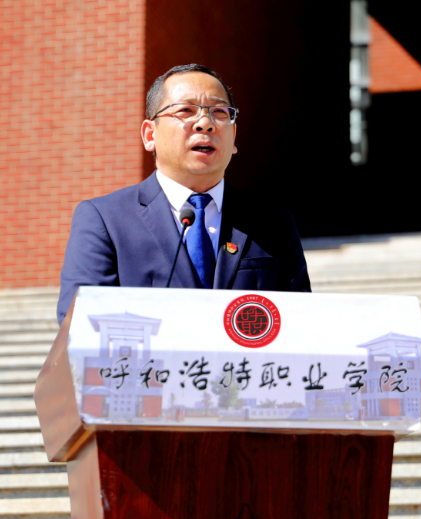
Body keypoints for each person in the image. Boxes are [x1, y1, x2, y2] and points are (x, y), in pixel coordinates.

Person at [57, 64, 311, 325]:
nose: (205, 124)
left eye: (219, 112)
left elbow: (300, 324)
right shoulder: (105, 220)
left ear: (233, 136)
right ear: (150, 135)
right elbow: (79, 324)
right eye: (185, 111)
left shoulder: (275, 225)